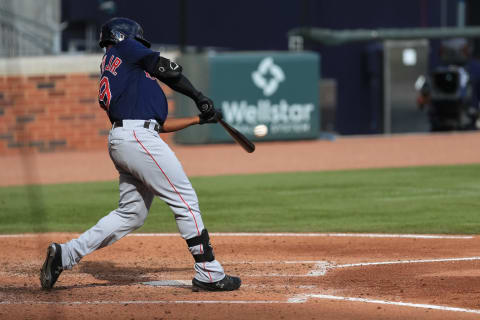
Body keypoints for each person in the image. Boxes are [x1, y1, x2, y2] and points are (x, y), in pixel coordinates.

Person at [40, 17, 241, 292]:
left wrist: (198, 119)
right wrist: (199, 96)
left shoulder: (120, 68)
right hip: (137, 139)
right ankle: (208, 271)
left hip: (126, 139)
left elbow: (155, 126)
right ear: (126, 37)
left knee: (131, 213)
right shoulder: (126, 49)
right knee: (185, 199)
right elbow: (165, 68)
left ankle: (66, 254)